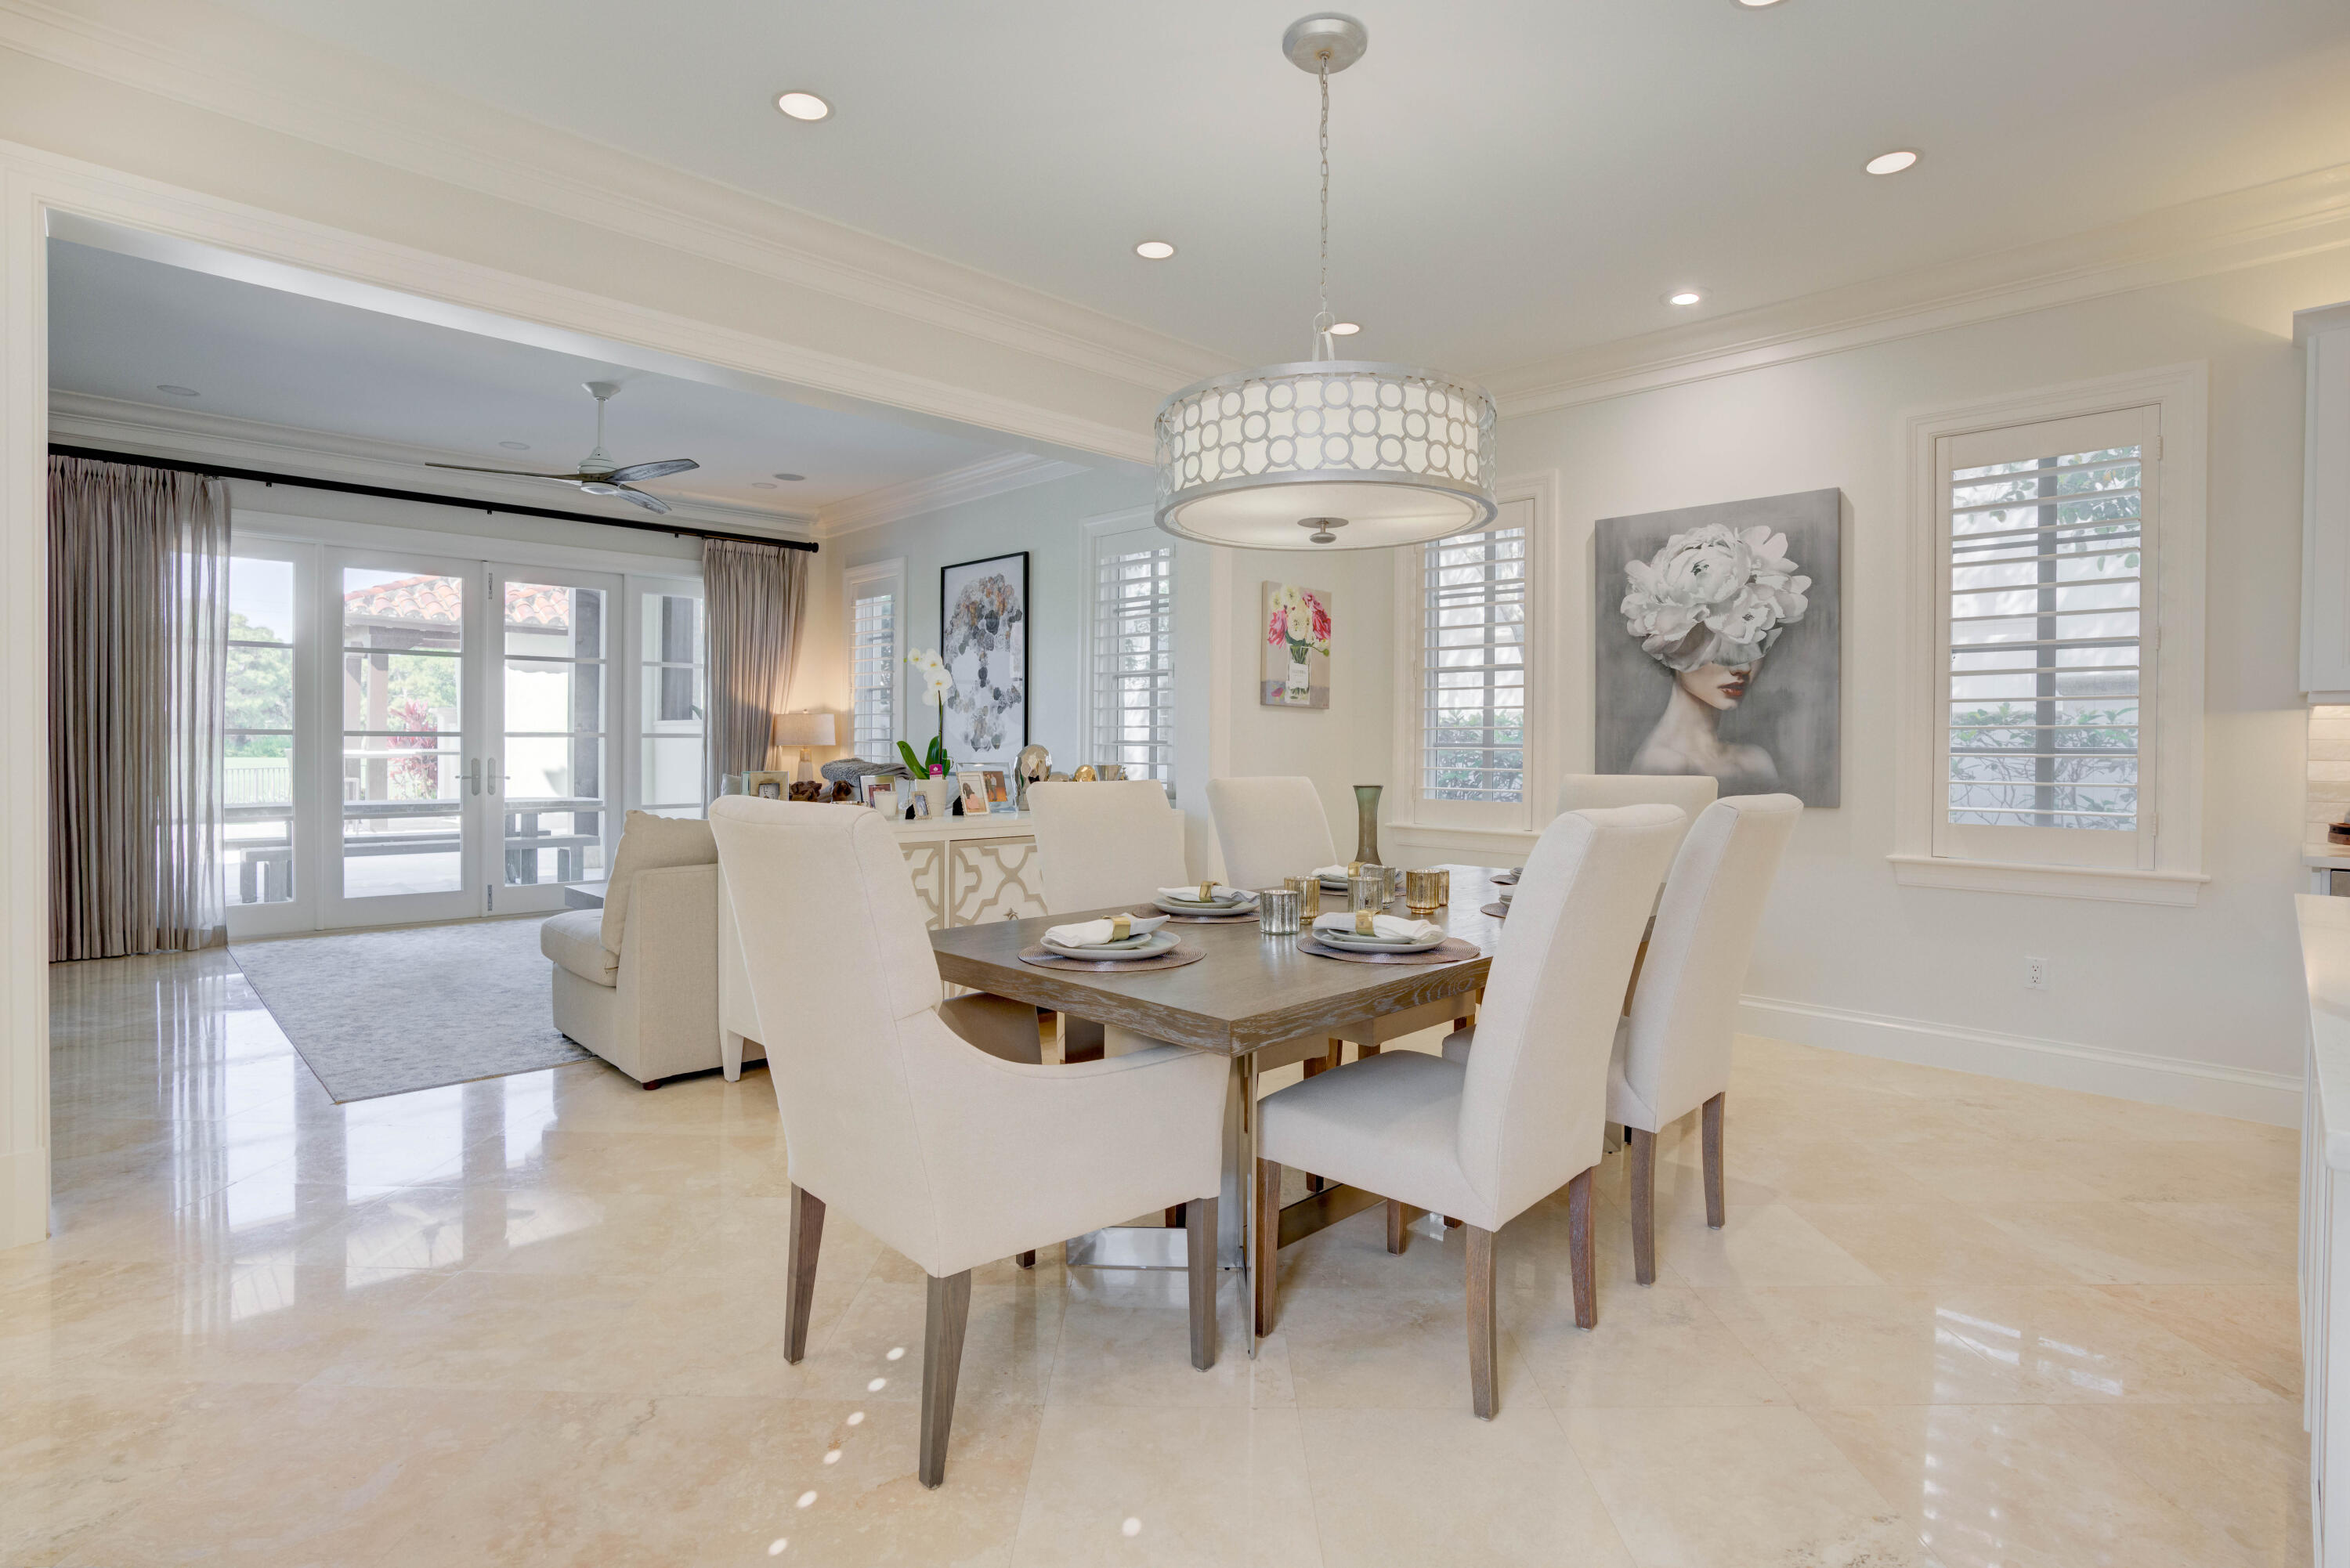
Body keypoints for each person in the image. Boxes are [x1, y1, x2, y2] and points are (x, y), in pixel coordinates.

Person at [1618, 522, 1811, 793]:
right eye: (1721, 649)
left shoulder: (1756, 762)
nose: (1742, 667)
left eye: (1757, 645)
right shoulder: (1663, 766)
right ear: (1674, 644)